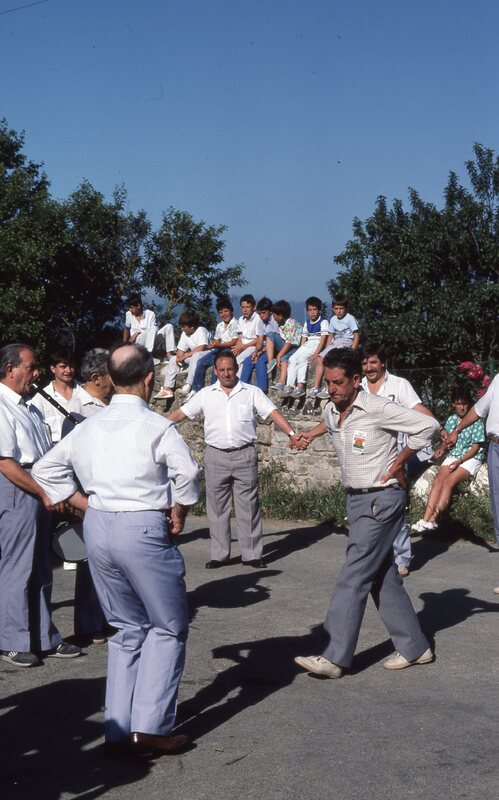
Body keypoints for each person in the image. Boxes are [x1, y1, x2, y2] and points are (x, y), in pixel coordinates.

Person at [33, 344, 200, 755]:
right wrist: (179, 510)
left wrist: (83, 502)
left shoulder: (89, 426)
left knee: (126, 628)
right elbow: (187, 474)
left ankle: (118, 726)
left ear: (109, 377)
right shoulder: (157, 427)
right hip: (141, 525)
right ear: (149, 379)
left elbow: (45, 468)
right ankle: (150, 726)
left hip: (99, 525)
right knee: (167, 625)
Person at [292, 348, 439, 679]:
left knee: (354, 574)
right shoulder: (332, 409)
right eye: (328, 382)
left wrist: (400, 461)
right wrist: (307, 435)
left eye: (338, 382)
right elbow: (329, 424)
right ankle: (416, 647)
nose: (332, 389)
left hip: (381, 500)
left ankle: (333, 657)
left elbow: (428, 425)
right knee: (381, 576)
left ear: (356, 380)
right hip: (356, 501)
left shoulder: (377, 407)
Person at [168, 350, 302, 569]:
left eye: (230, 369)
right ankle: (219, 554)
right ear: (215, 371)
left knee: (248, 506)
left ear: (237, 369)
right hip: (215, 456)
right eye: (222, 370)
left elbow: (273, 412)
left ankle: (252, 555)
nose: (226, 373)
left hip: (244, 454)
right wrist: (155, 428)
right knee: (216, 507)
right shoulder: (205, 394)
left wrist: (291, 434)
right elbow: (180, 414)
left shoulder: (251, 392)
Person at [0, 343, 81, 667]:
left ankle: (43, 637)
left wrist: (54, 489)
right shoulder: (1, 405)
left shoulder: (29, 406)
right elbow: (5, 462)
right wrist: (44, 493)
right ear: (10, 370)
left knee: (42, 568)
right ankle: (11, 640)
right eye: (31, 367)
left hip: (37, 485)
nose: (36, 374)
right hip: (19, 487)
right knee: (17, 567)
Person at [361, 342, 436, 576]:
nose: (368, 367)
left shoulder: (399, 385)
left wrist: (439, 427)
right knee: (368, 508)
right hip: (366, 456)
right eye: (364, 363)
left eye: (373, 362)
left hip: (394, 455)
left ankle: (401, 558)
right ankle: (375, 557)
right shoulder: (358, 387)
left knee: (395, 506)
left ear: (383, 363)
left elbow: (418, 409)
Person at [62, 348, 115, 644]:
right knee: (91, 560)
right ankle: (89, 624)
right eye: (111, 374)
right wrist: (76, 500)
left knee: (111, 559)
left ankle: (109, 617)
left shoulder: (112, 402)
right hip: (89, 493)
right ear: (96, 378)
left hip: (112, 490)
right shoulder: (77, 407)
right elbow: (68, 459)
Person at [411, 387, 486, 533]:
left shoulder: (476, 421)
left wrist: (460, 461)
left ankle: (433, 519)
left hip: (470, 458)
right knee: (438, 480)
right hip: (454, 456)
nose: (462, 407)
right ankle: (425, 519)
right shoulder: (452, 420)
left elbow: (475, 448)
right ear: (453, 404)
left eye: (464, 403)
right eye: (458, 404)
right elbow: (447, 443)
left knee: (448, 482)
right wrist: (442, 449)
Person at [445, 374, 499, 566]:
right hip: (495, 446)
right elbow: (478, 410)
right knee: (497, 499)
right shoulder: (498, 380)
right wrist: (457, 430)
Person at [29, 345, 83, 444]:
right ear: (53, 368)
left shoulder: (85, 391)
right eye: (63, 366)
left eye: (71, 366)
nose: (68, 370)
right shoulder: (40, 399)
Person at [188, 297, 240, 399]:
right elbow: (217, 339)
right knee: (201, 362)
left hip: (229, 350)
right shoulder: (219, 325)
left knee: (216, 367)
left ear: (231, 311)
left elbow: (234, 341)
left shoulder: (235, 323)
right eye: (221, 312)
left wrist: (218, 345)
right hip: (218, 349)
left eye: (226, 311)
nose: (224, 314)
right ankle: (196, 389)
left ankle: (215, 390)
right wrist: (214, 343)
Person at [310, 295, 359, 399]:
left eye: (341, 308)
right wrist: (327, 350)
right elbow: (331, 335)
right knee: (320, 358)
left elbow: (356, 335)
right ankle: (316, 387)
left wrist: (353, 349)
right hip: (335, 342)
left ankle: (328, 388)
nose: (338, 311)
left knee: (334, 362)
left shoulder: (350, 319)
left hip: (346, 342)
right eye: (336, 309)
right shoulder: (333, 319)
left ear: (346, 308)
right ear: (333, 309)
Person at [154, 311, 210, 400]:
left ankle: (188, 384)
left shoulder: (201, 330)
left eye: (184, 326)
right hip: (193, 357)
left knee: (196, 356)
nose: (182, 328)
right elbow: (180, 350)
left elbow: (202, 347)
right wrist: (179, 358)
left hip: (206, 355)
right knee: (173, 359)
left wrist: (185, 356)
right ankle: (167, 389)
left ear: (192, 327)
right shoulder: (185, 334)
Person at [280, 296, 328, 399]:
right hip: (308, 344)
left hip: (317, 343)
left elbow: (323, 339)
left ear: (319, 310)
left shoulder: (323, 322)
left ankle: (300, 386)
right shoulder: (307, 323)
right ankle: (289, 386)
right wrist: (300, 350)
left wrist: (316, 354)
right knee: (293, 358)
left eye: (314, 309)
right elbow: (304, 338)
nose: (312, 312)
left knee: (302, 358)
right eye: (310, 310)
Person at [239, 296, 279, 393]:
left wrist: (260, 352)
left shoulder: (274, 321)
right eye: (260, 313)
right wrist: (256, 352)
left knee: (260, 362)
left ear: (270, 311)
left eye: (264, 313)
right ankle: (243, 388)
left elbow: (273, 342)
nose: (261, 316)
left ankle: (262, 390)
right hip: (264, 348)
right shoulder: (261, 322)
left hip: (274, 348)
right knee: (248, 361)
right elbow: (260, 341)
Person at [123, 293, 175, 360]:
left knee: (169, 326)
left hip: (151, 341)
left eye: (131, 307)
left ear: (138, 306)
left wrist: (137, 333)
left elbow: (153, 331)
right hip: (137, 342)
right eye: (129, 308)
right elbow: (127, 328)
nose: (130, 310)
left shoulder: (150, 314)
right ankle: (148, 356)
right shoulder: (128, 314)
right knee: (153, 328)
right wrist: (125, 344)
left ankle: (169, 355)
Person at [266, 300, 302, 391]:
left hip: (293, 347)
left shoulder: (291, 323)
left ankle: (282, 382)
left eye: (274, 315)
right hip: (286, 344)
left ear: (280, 316)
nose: (273, 318)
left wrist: (279, 355)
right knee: (270, 335)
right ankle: (271, 362)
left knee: (284, 357)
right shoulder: (281, 324)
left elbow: (289, 342)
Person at [231, 294, 260, 368]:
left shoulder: (258, 319)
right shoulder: (241, 319)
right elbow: (240, 337)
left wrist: (243, 347)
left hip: (253, 346)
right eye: (243, 307)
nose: (245, 310)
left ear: (254, 307)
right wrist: (238, 347)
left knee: (238, 361)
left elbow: (258, 339)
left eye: (248, 307)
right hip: (242, 345)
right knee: (229, 359)